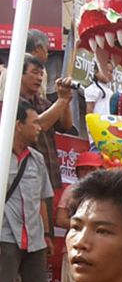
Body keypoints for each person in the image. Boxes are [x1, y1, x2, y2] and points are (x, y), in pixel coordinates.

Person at [0, 101, 54, 282]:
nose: (38, 127)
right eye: (33, 123)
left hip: (34, 238)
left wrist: (46, 233)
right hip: (5, 237)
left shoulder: (37, 158)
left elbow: (42, 201)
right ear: (18, 125)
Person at [13, 54, 74, 190]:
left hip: (51, 174)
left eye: (41, 74)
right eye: (34, 73)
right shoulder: (13, 102)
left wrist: (66, 101)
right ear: (20, 74)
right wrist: (62, 100)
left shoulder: (45, 103)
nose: (39, 78)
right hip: (26, 175)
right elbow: (39, 125)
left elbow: (66, 125)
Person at [55, 151, 104, 282]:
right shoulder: (71, 191)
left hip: (101, 253)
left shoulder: (108, 194)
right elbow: (60, 219)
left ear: (101, 170)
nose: (87, 173)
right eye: (83, 169)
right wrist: (86, 226)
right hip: (73, 251)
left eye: (92, 168)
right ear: (76, 172)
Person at [0, 30, 49, 100]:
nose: (47, 54)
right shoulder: (38, 69)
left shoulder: (11, 65)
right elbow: (39, 99)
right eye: (47, 50)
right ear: (38, 48)